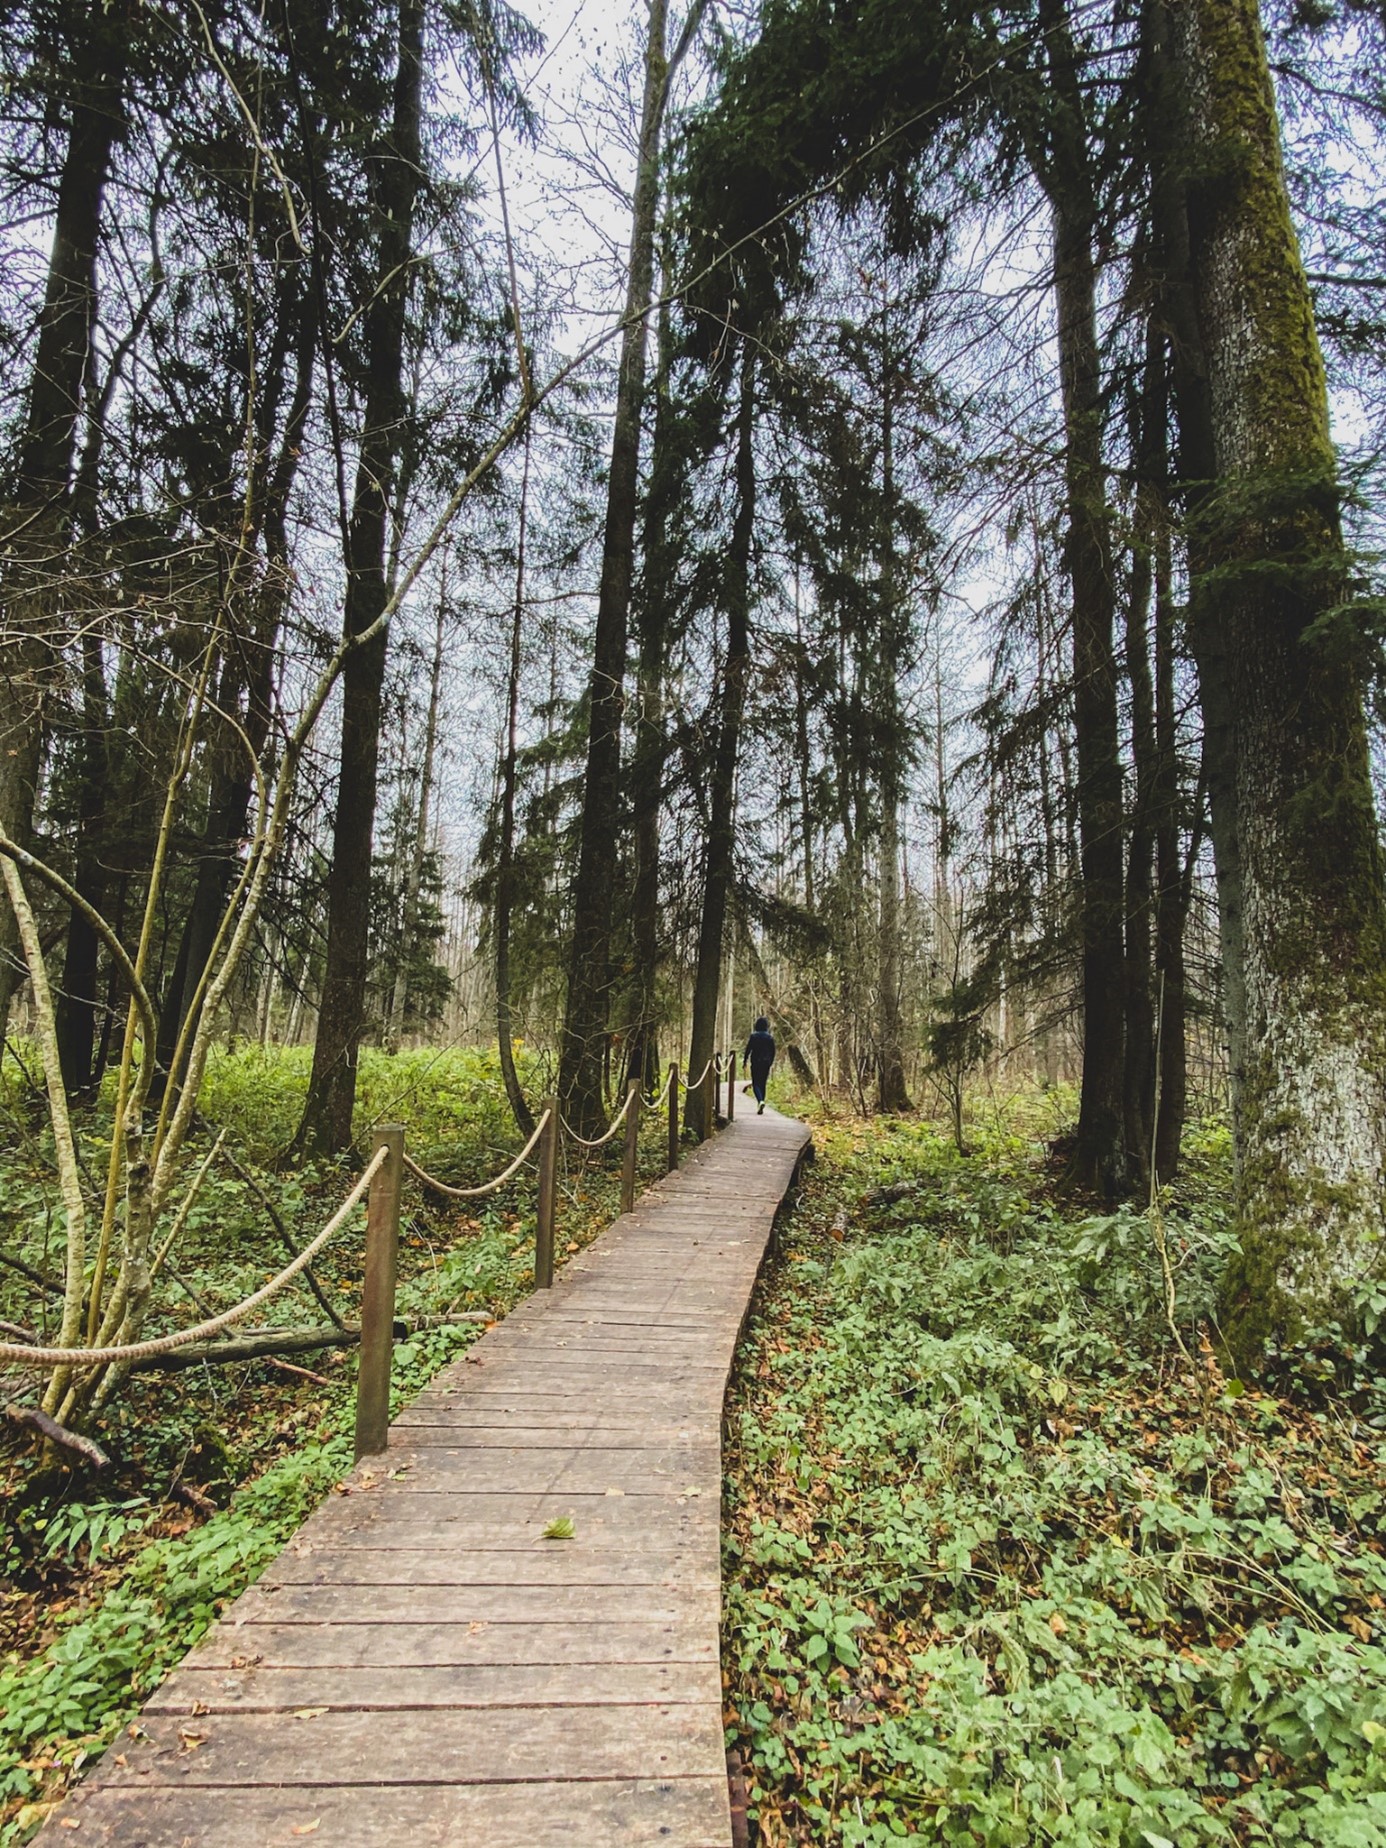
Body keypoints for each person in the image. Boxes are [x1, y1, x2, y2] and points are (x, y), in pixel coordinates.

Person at [743, 1016, 776, 1115]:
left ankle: (760, 1101)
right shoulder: (769, 1037)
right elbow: (773, 1051)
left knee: (756, 1083)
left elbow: (748, 1049)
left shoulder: (754, 1036)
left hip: (756, 1062)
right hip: (766, 1063)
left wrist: (745, 1061)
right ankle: (761, 1102)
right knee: (763, 1083)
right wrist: (770, 1062)